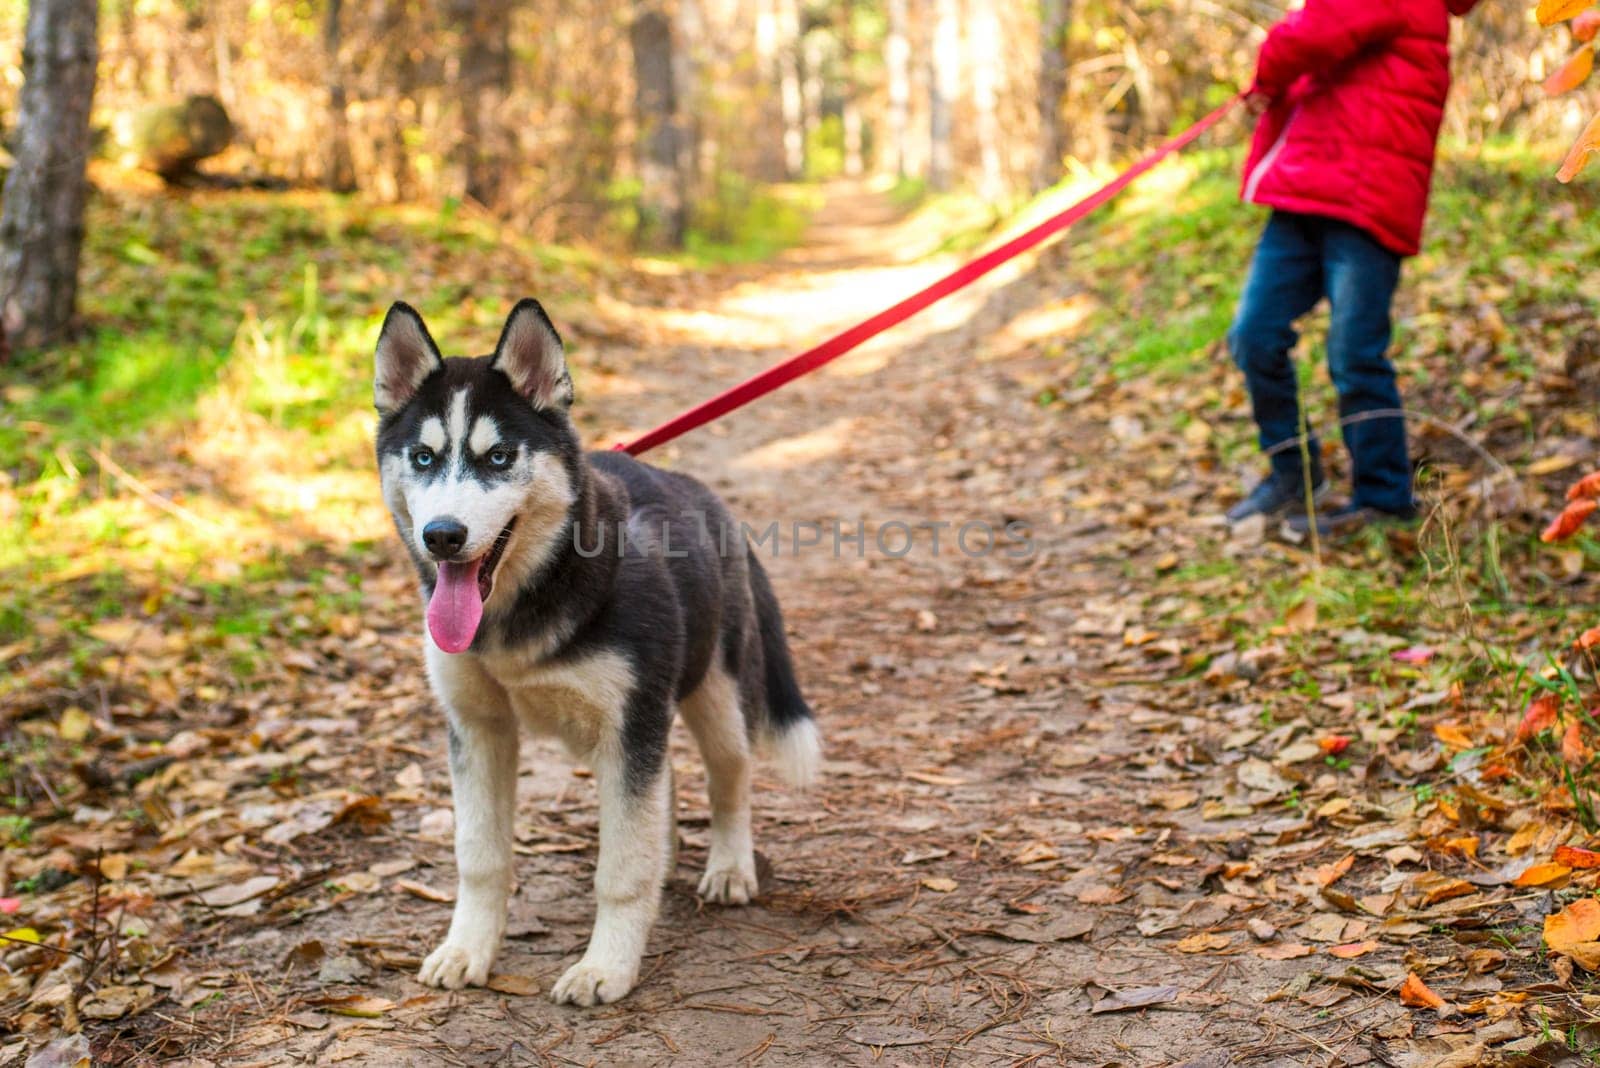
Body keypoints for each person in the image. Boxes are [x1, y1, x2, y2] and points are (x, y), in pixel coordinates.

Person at [1224, 0, 1481, 537]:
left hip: (1367, 194)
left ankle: (1384, 498)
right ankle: (1294, 474)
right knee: (1254, 335)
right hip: (1307, 188)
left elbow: (1309, 35)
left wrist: (1266, 75)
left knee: (1354, 353)